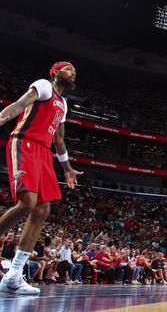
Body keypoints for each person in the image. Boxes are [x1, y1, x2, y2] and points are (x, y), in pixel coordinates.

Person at [0, 62, 83, 296]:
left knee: (42, 209)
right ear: (56, 72)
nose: (73, 72)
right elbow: (19, 104)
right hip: (24, 142)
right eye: (69, 69)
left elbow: (58, 140)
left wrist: (67, 168)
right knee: (27, 202)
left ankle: (14, 276)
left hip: (44, 153)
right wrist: (2, 117)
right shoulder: (44, 86)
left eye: (74, 71)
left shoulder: (64, 104)